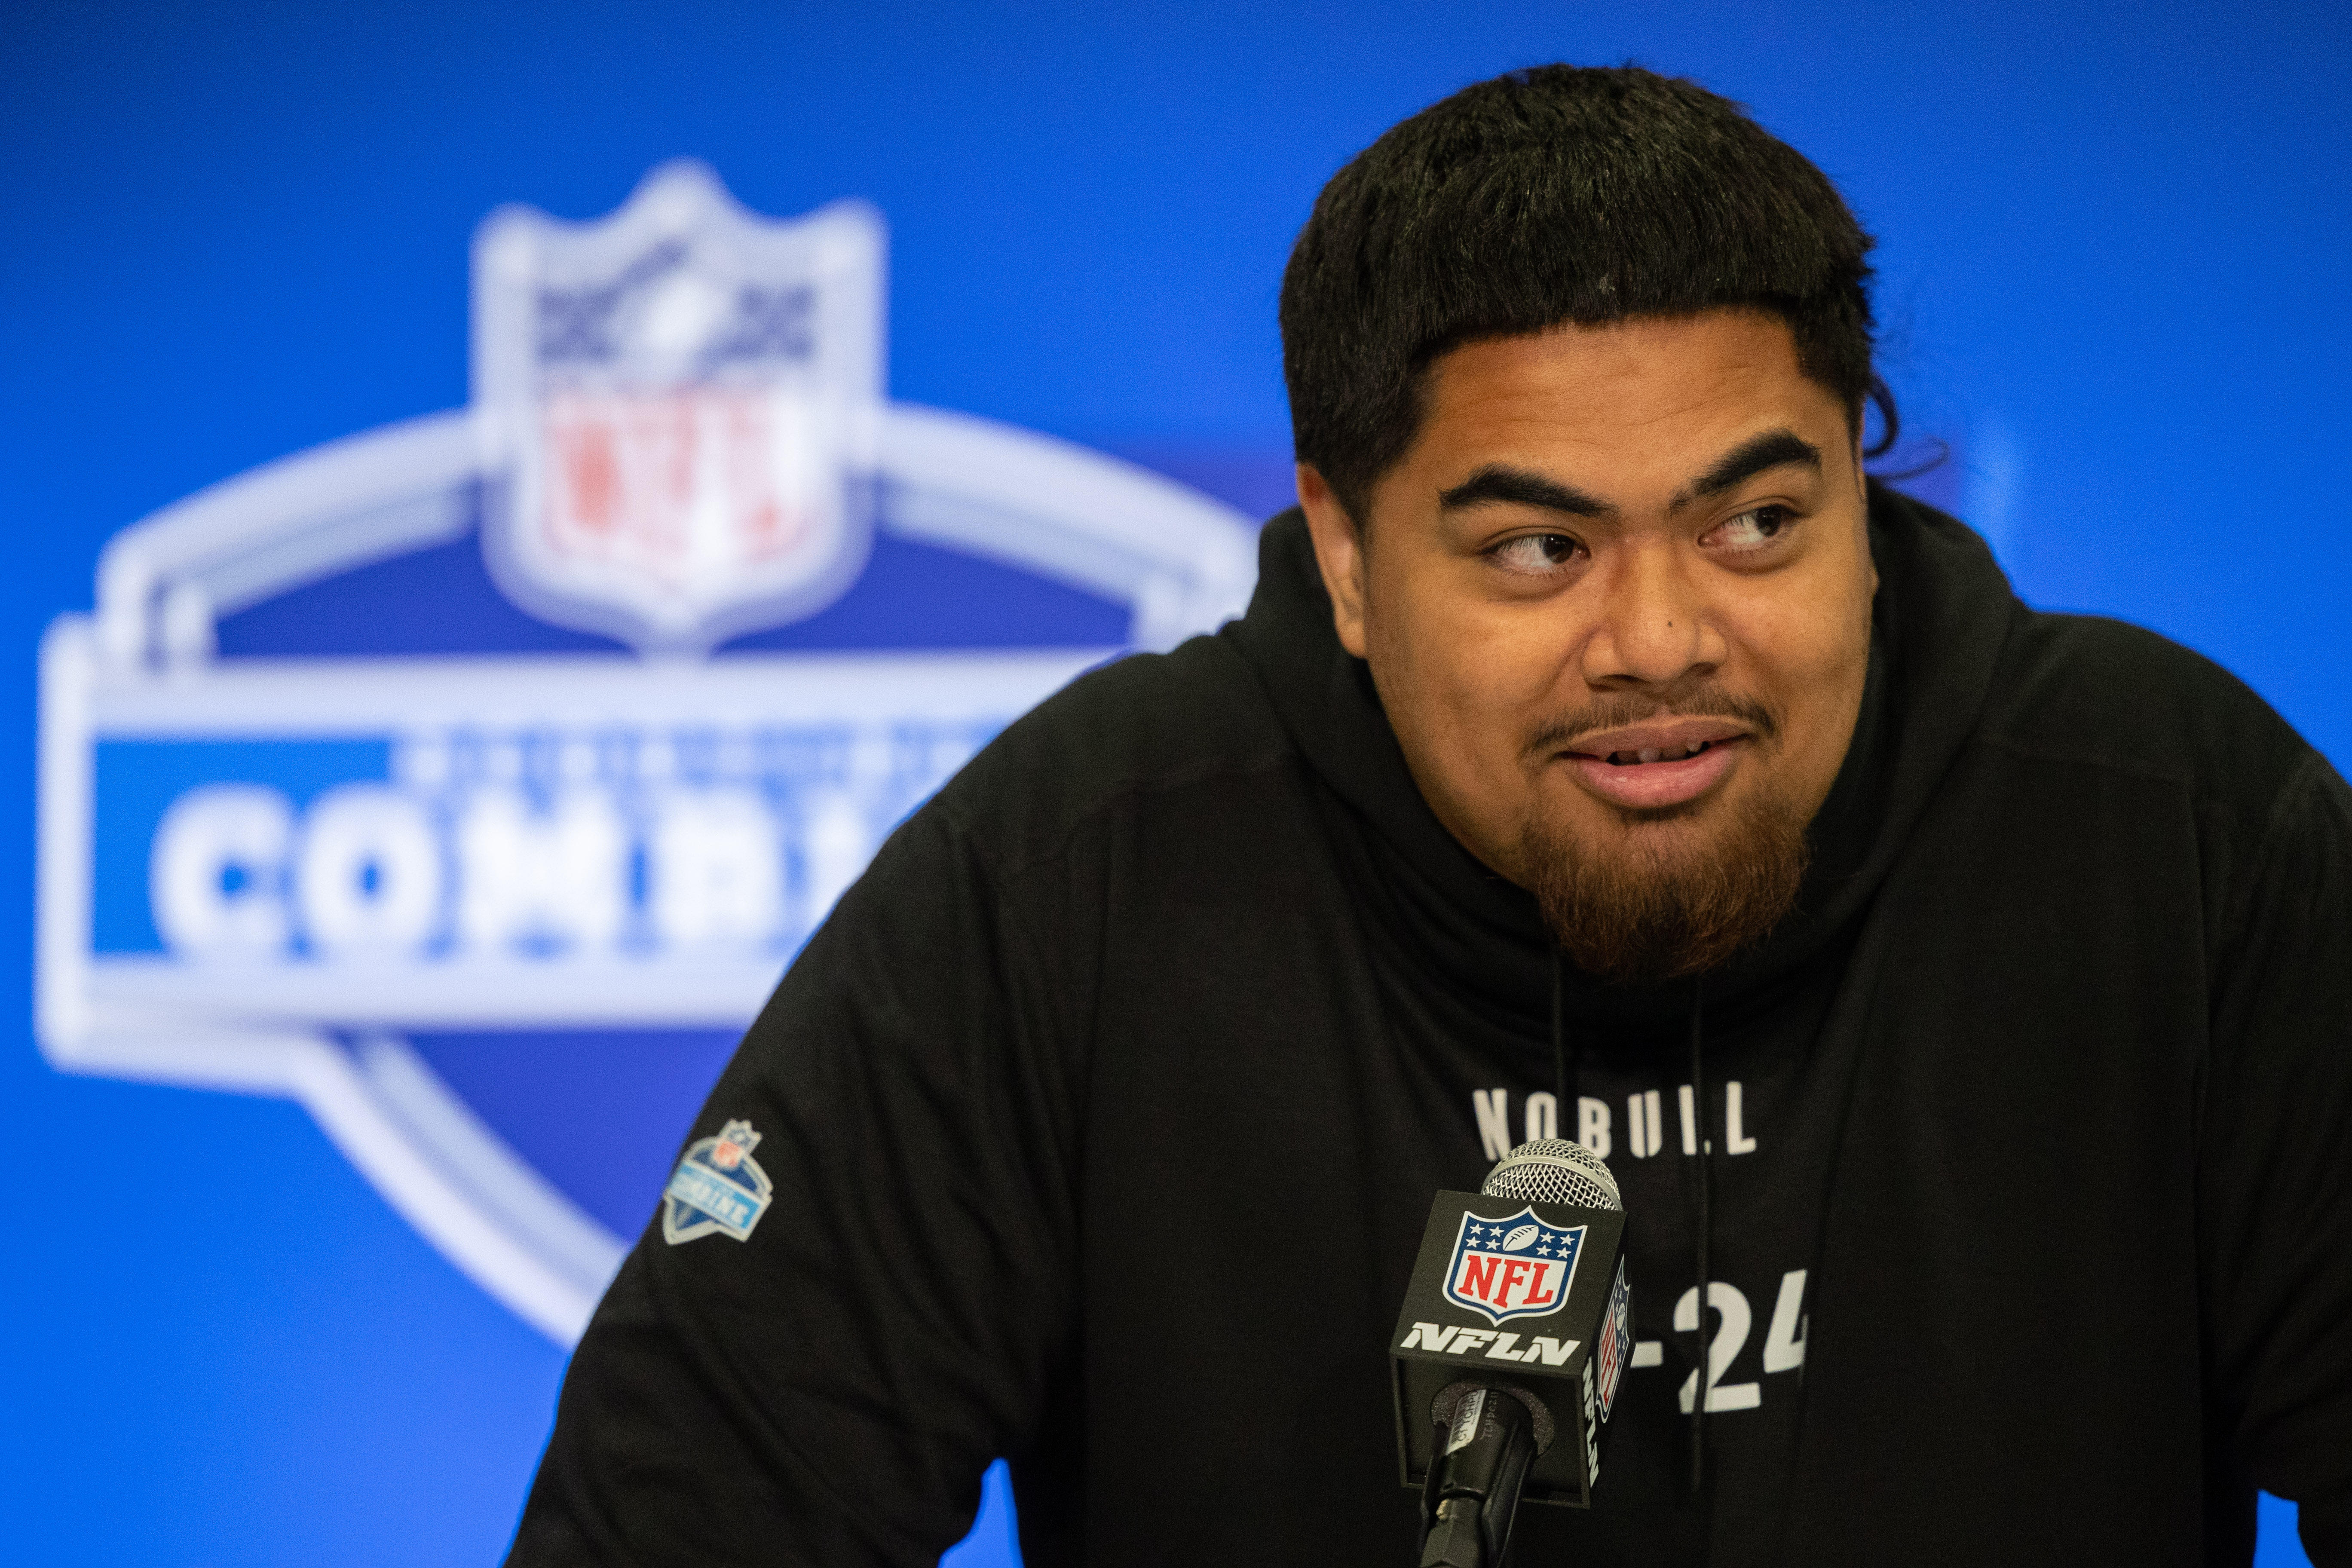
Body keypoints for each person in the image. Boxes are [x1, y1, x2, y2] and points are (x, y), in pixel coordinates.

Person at [506, 64, 2352, 1566]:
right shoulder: (1081, 876)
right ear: (1346, 557)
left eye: (1757, 524)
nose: (1661, 640)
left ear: (1859, 502)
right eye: (1540, 549)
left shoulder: (2175, 837)